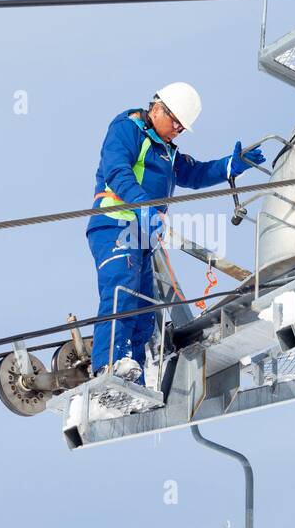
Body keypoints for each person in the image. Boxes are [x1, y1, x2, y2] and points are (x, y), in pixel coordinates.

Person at [86, 83, 265, 383]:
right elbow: (117, 171)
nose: (177, 131)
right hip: (115, 223)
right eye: (175, 123)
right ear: (158, 108)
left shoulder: (166, 151)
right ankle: (109, 364)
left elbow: (194, 173)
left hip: (142, 234)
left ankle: (135, 376)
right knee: (122, 289)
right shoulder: (127, 129)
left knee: (145, 309)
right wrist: (144, 207)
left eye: (182, 128)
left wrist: (230, 167)